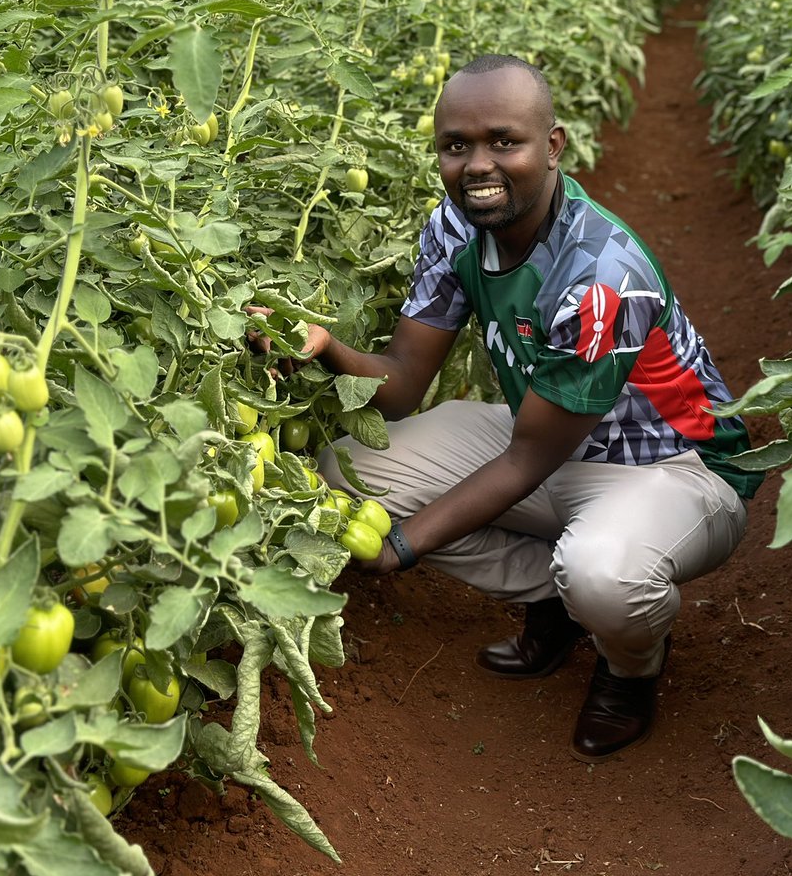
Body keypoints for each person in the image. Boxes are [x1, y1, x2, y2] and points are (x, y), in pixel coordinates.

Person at [247, 53, 761, 762]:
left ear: (552, 147)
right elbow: (400, 385)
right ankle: (555, 600)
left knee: (602, 574)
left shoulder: (602, 278)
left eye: (504, 141)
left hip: (674, 470)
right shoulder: (457, 231)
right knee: (350, 471)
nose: (477, 165)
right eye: (456, 147)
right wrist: (324, 345)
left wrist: (405, 543)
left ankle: (630, 666)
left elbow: (527, 459)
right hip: (547, 440)